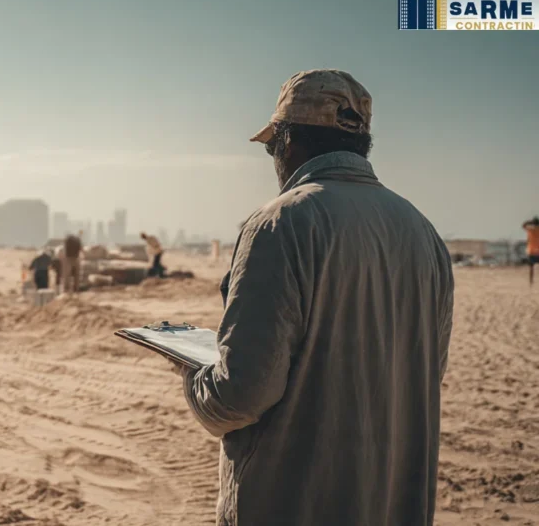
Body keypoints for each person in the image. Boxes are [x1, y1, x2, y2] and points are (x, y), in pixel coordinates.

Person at [175, 70, 454, 525]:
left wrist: (192, 371)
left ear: (287, 142)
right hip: (390, 502)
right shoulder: (422, 230)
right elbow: (425, 372)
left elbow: (241, 396)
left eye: (270, 147)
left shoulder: (279, 223)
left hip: (295, 501)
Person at [524, 216, 539, 286]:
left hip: (531, 251)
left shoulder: (530, 229)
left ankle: (531, 281)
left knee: (531, 267)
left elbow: (523, 225)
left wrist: (529, 221)